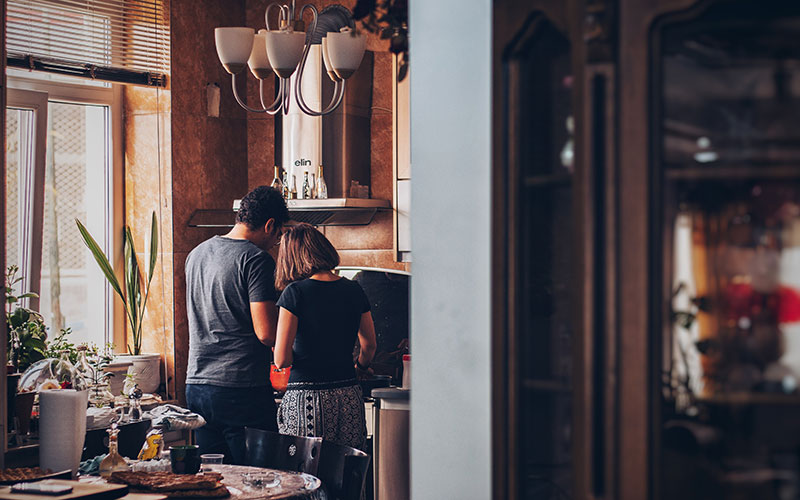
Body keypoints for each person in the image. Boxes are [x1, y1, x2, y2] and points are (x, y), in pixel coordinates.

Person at [184, 185, 289, 464]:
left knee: (216, 481)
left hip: (197, 386)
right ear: (269, 225)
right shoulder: (256, 259)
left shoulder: (196, 254)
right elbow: (266, 333)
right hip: (240, 389)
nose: (275, 242)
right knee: (261, 481)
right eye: (278, 235)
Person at [273, 223, 377, 449]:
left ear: (291, 257)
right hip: (348, 394)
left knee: (306, 477)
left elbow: (281, 360)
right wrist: (360, 367)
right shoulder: (354, 289)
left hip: (306, 398)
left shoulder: (295, 293)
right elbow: (369, 345)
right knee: (347, 471)